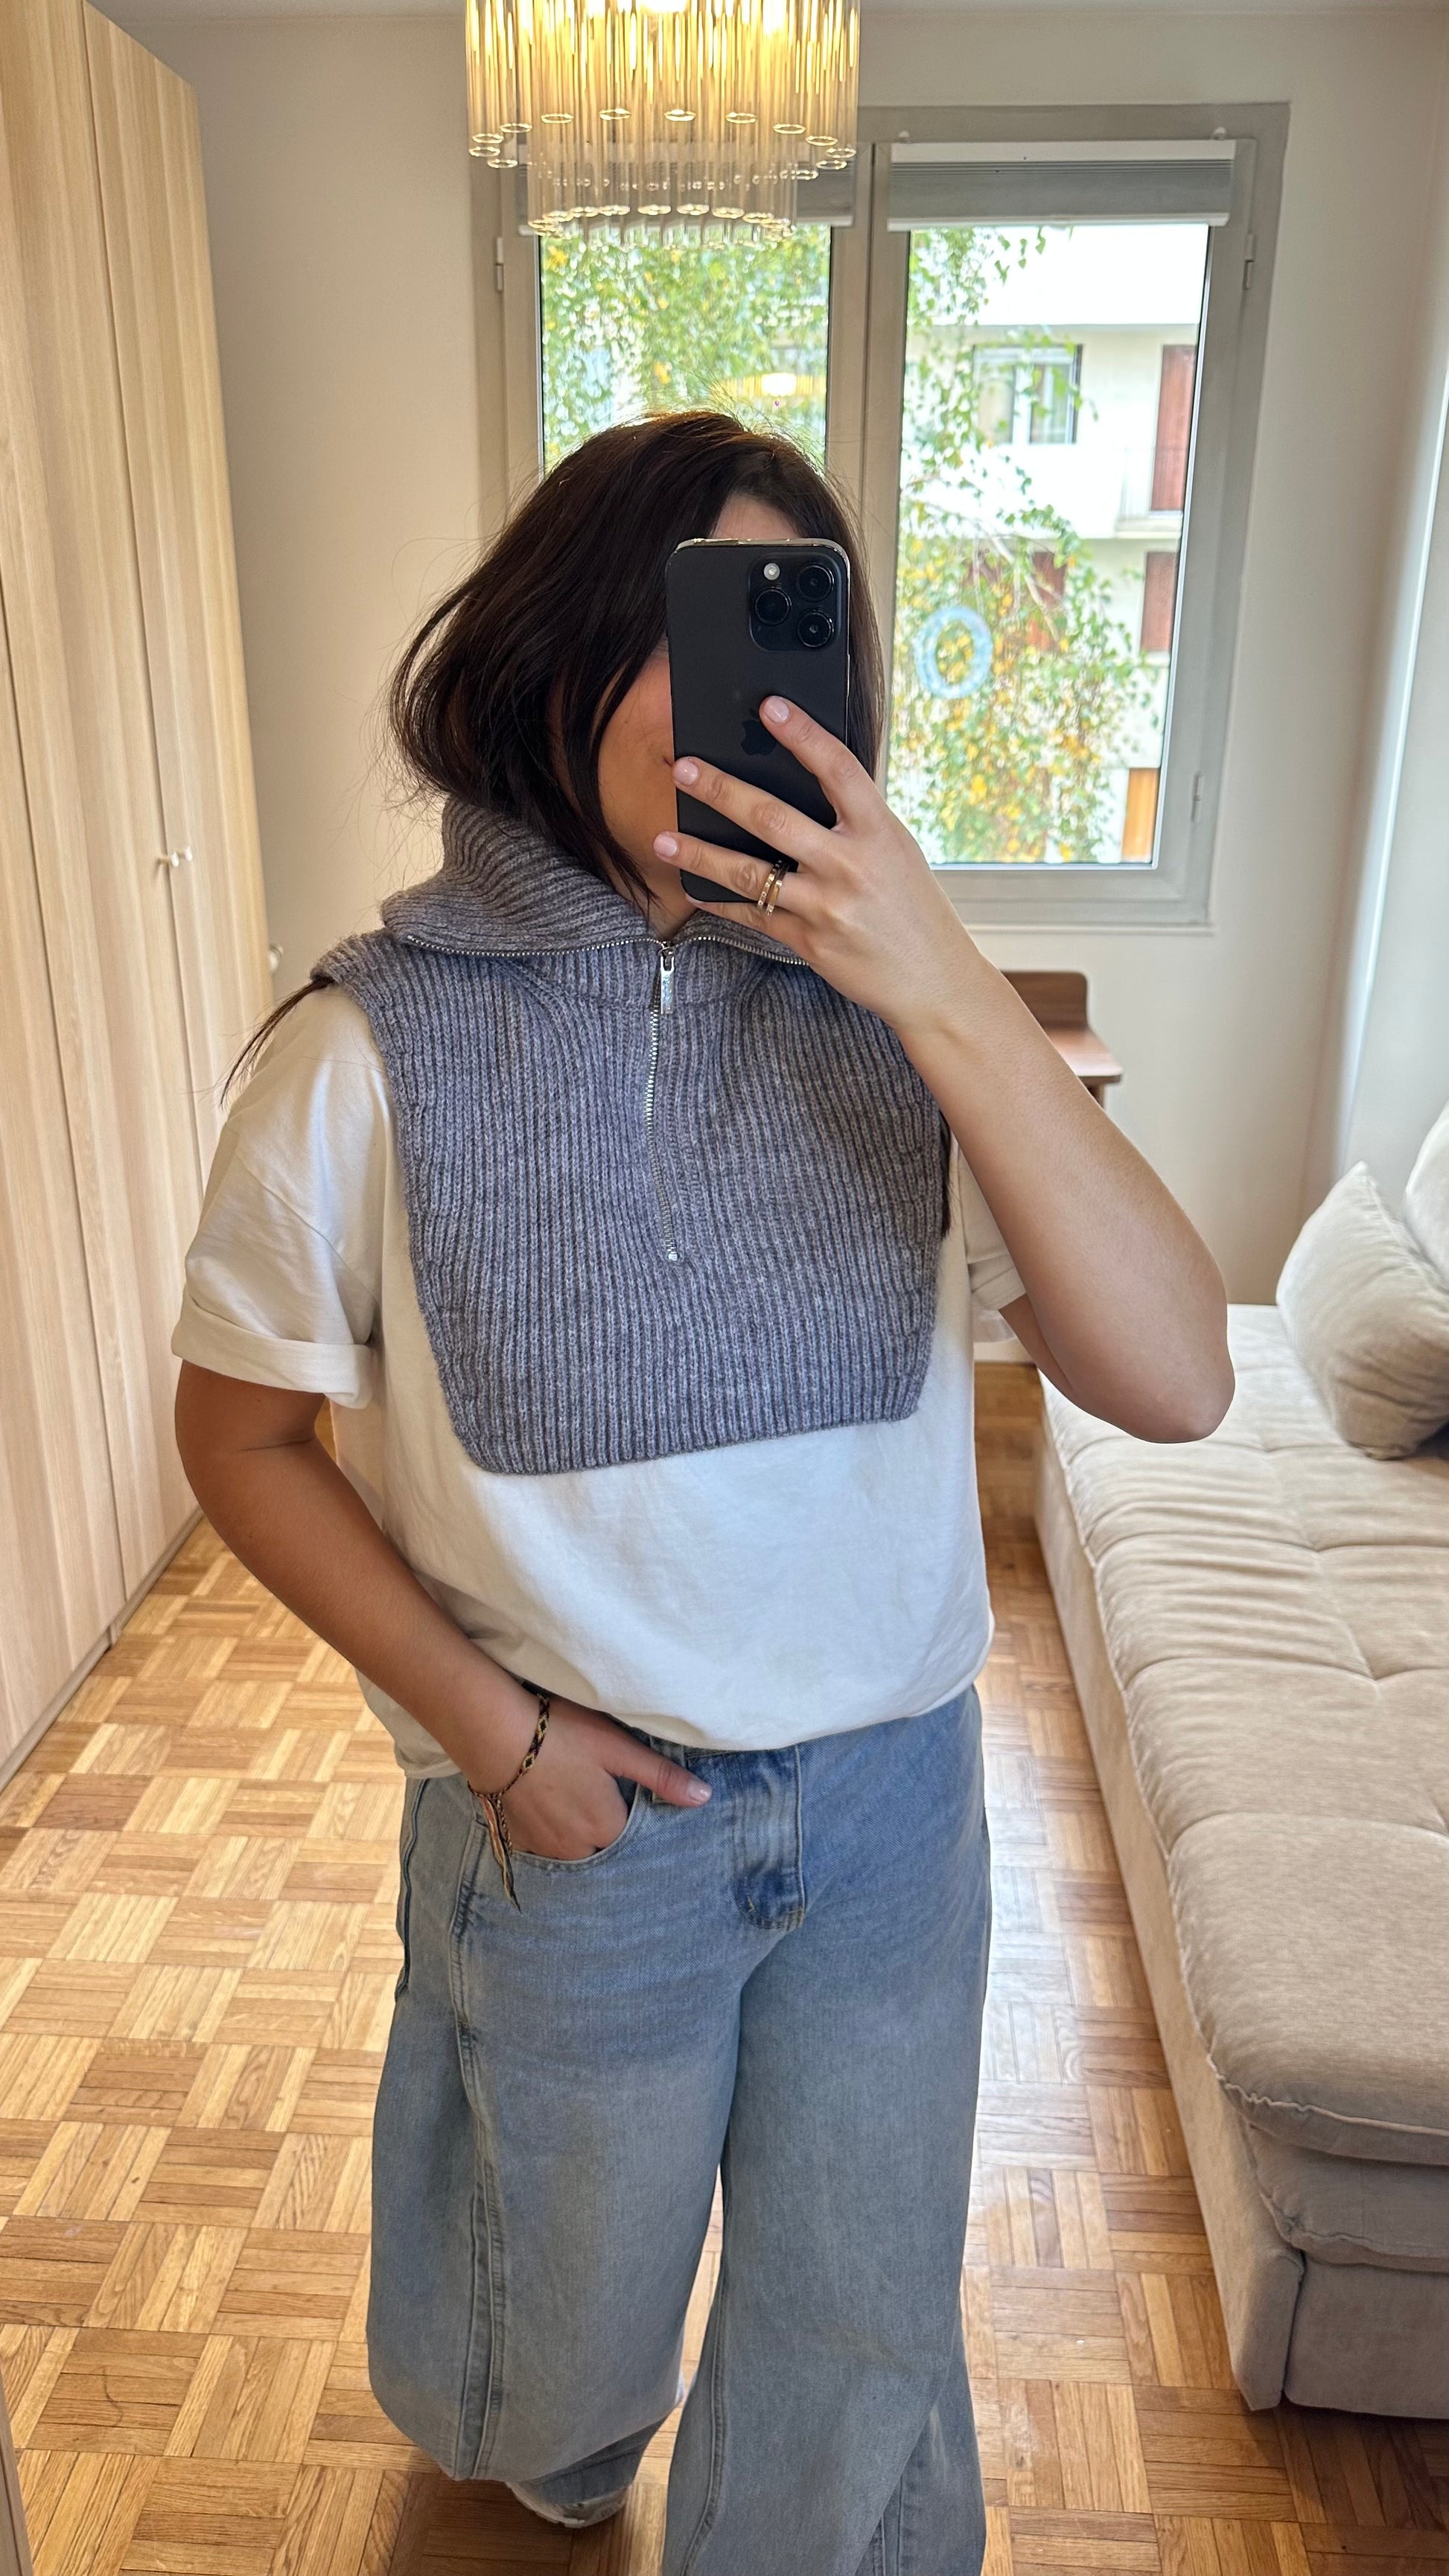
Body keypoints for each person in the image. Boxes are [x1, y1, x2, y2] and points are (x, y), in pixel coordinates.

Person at [173, 409, 1232, 2576]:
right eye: (686, 623)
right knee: (554, 2327)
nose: (739, 695)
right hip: (576, 1828)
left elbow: (1178, 1375)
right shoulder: (361, 1048)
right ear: (557, 651)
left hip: (891, 1817)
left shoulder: (913, 1031)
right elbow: (240, 1437)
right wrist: (498, 1739)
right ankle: (550, 2450)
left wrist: (941, 979)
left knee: (855, 2342)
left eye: (786, 634)